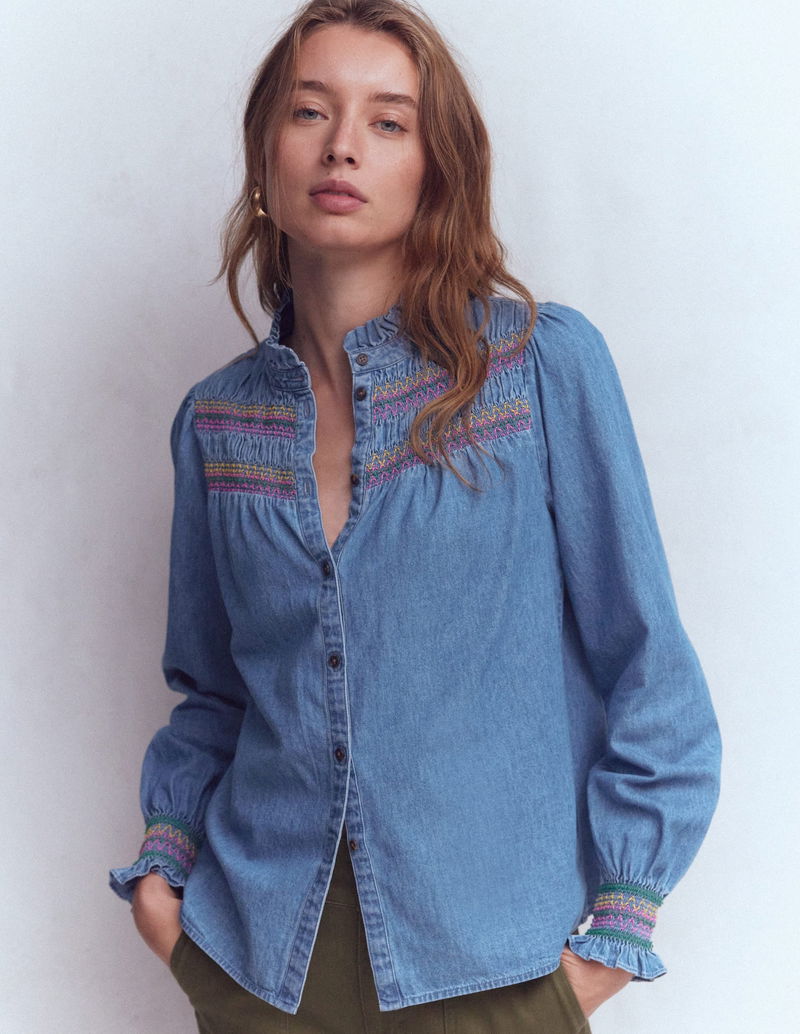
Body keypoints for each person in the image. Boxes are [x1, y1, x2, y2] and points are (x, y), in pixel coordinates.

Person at [108, 1, 723, 1031]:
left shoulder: (537, 368)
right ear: (264, 154)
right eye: (310, 111)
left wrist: (607, 939)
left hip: (494, 975)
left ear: (438, 169)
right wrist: (165, 884)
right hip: (258, 971)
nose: (342, 146)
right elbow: (214, 691)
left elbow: (647, 667)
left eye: (388, 121)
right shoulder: (216, 422)